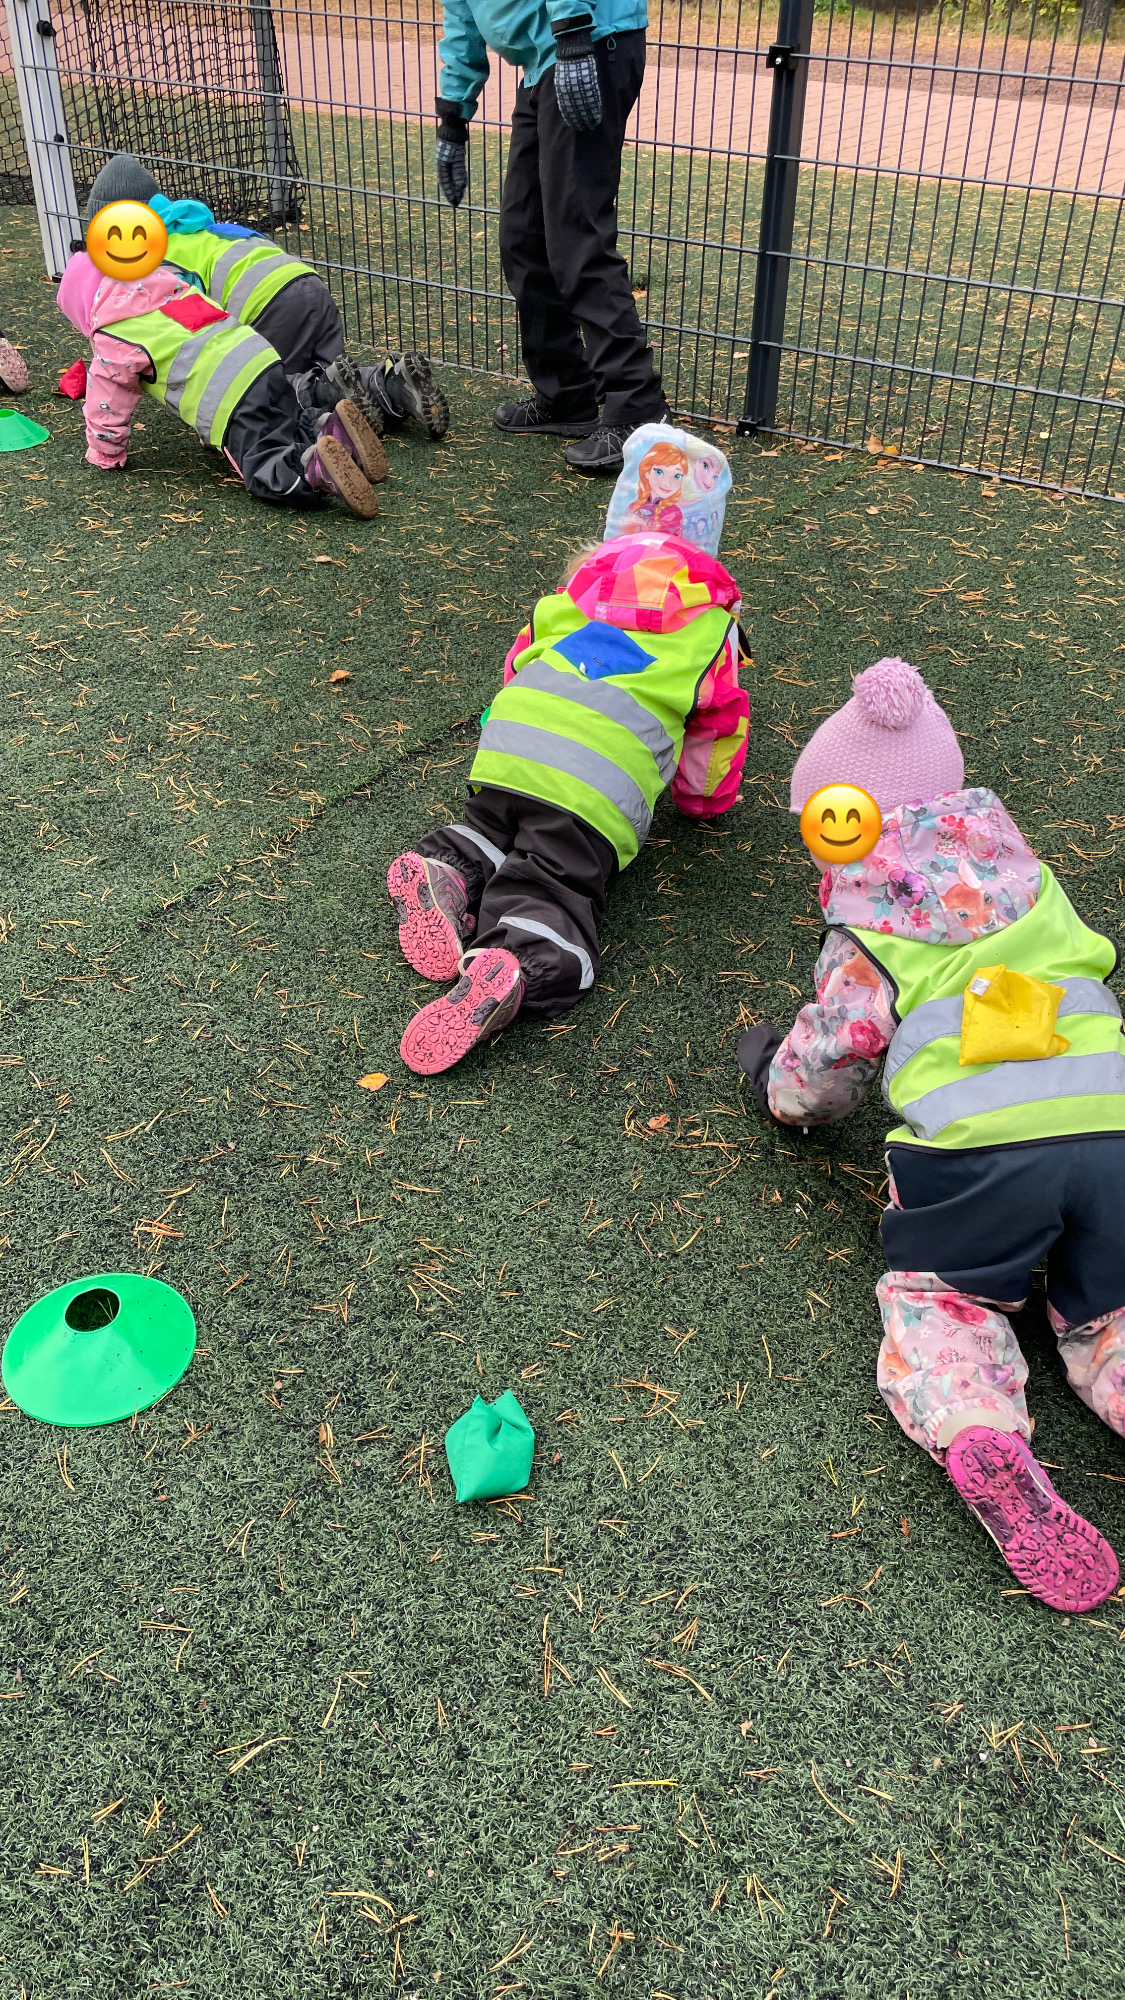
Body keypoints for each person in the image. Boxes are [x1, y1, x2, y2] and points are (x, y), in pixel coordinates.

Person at [738, 655, 1125, 1614]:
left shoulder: (869, 928)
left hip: (980, 1158)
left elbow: (824, 1072)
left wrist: (776, 1086)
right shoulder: (1029, 880)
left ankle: (977, 1425)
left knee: (943, 1298)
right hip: (1112, 1126)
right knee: (1115, 1305)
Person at [387, 528, 750, 1072]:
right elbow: (717, 730)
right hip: (595, 780)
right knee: (551, 876)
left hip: (511, 745)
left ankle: (447, 868)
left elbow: (517, 668)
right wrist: (703, 802)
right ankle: (517, 955)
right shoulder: (710, 633)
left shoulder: (562, 605)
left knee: (489, 829)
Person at [435, 0, 670, 473]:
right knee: (524, 238)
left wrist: (573, 32)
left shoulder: (578, 36)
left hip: (587, 42)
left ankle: (637, 407)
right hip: (543, 63)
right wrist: (453, 116)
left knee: (577, 239)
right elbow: (463, 17)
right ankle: (568, 395)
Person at [80, 155, 448, 442]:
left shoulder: (156, 259)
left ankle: (328, 401)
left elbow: (182, 325)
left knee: (269, 392)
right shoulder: (199, 224)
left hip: (267, 306)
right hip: (307, 286)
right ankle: (392, 383)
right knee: (332, 377)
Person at [56, 249, 385, 518]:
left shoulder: (114, 334)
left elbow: (106, 406)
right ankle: (327, 427)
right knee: (285, 420)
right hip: (262, 358)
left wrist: (105, 452)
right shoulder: (172, 289)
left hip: (230, 396)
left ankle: (312, 468)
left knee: (264, 461)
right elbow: (195, 348)